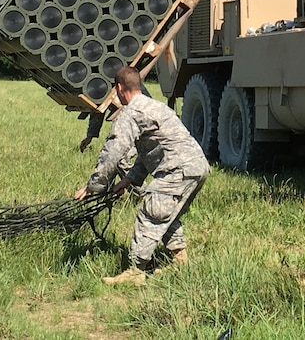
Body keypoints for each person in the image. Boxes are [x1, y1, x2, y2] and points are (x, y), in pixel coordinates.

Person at [74, 66, 209, 285]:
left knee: (151, 211)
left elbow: (114, 151)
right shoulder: (154, 106)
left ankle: (136, 271)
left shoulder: (131, 113)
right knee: (166, 214)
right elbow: (150, 151)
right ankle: (180, 260)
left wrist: (95, 185)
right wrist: (129, 180)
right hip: (197, 167)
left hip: (177, 170)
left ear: (119, 88)